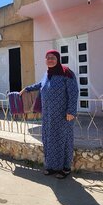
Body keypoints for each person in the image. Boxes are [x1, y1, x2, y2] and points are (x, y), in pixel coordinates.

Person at [20, 49, 79, 179]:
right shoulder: (47, 73)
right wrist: (27, 89)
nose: (50, 60)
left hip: (63, 115)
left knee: (64, 140)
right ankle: (52, 167)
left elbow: (73, 93)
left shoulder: (67, 73)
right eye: (48, 58)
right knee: (49, 140)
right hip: (48, 115)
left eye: (53, 57)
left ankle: (65, 168)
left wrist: (71, 111)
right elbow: (40, 85)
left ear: (58, 59)